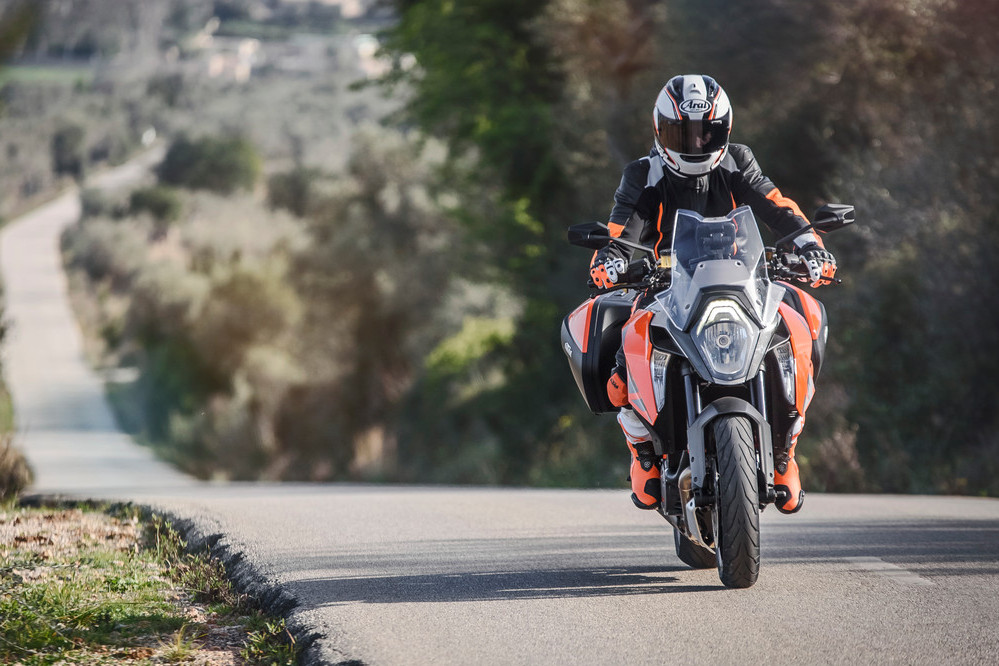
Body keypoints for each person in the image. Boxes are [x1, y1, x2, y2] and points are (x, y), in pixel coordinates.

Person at [589, 74, 836, 514]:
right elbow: (622, 231)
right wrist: (610, 260)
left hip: (743, 279)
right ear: (660, 130)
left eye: (707, 132)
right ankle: (643, 452)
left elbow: (779, 208)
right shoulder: (643, 173)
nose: (696, 142)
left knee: (802, 319)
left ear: (724, 130)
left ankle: (785, 452)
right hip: (666, 285)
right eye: (682, 133)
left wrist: (811, 247)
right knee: (624, 348)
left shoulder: (737, 160)